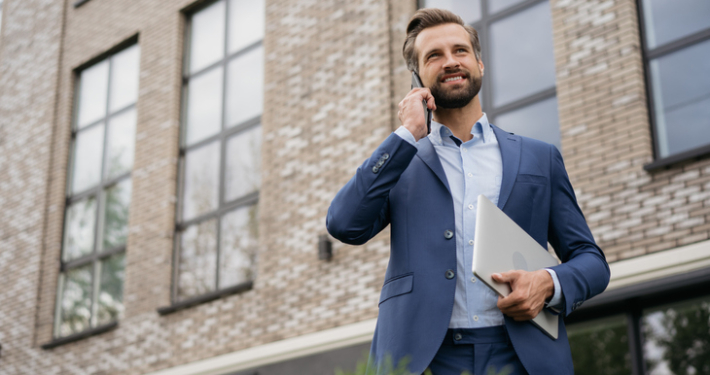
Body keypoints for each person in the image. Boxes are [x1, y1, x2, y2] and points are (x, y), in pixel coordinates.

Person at [326, 8, 609, 375]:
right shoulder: (402, 159)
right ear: (418, 78)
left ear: (479, 62)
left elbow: (592, 261)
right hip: (424, 359)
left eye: (460, 51)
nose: (450, 62)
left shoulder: (540, 158)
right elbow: (344, 224)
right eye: (434, 56)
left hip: (522, 357)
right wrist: (406, 136)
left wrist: (548, 282)